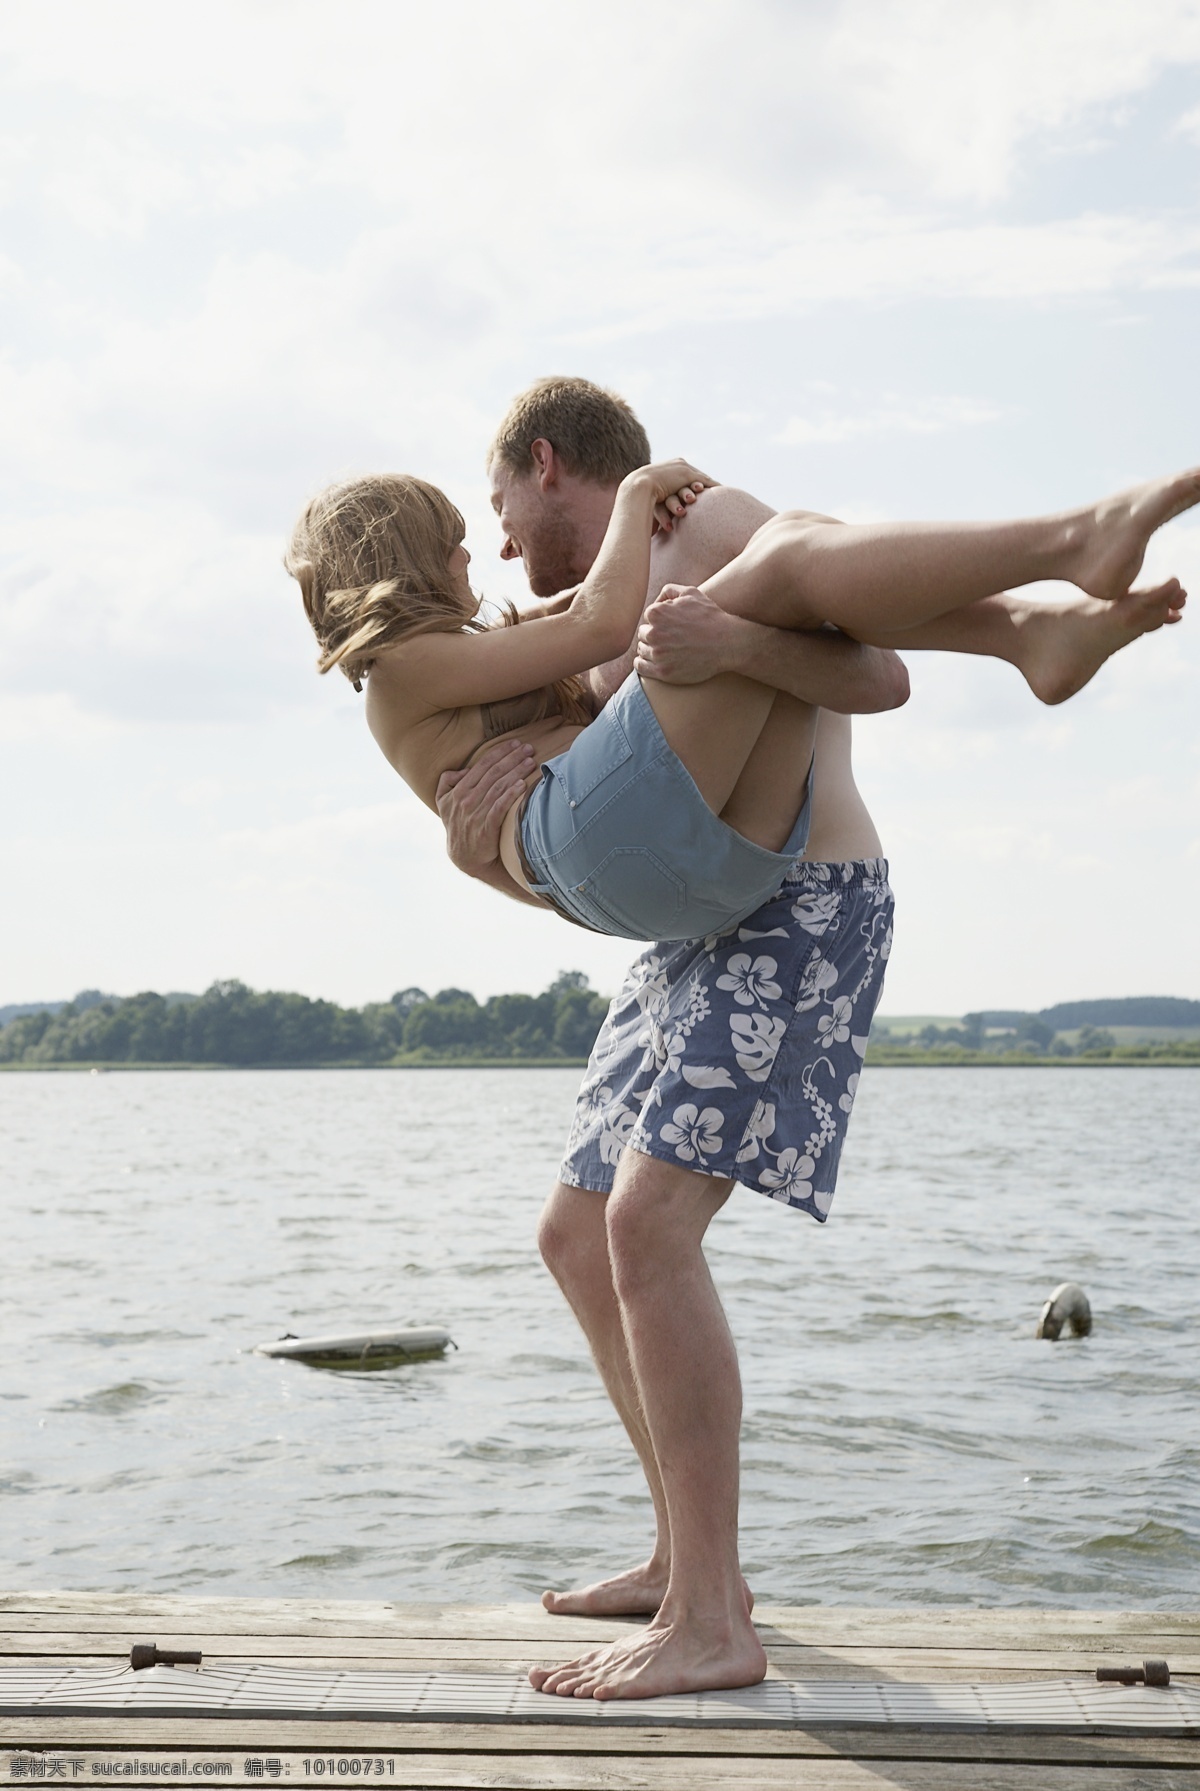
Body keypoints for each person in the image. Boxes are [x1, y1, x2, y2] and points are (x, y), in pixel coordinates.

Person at [426, 379, 1192, 1702]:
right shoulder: (595, 607)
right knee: (576, 1226)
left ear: (549, 465)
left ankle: (715, 1618)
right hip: (697, 932)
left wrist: (730, 641)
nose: (497, 541)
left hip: (804, 905)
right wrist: (483, 841)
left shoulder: (704, 518)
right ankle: (684, 1558)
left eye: (498, 507)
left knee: (649, 1226)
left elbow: (873, 672)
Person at [288, 434, 1190, 945]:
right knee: (787, 551)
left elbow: (587, 603)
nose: (471, 555)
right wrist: (643, 489)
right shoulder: (401, 672)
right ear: (399, 560)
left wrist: (660, 530)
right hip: (596, 836)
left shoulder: (460, 654)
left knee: (782, 555)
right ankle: (1063, 554)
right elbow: (600, 624)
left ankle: (1032, 630)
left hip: (699, 875)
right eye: (452, 537)